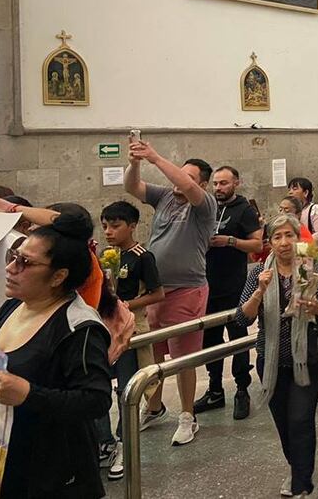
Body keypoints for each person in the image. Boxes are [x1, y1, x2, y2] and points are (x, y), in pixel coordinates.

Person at [0, 210, 112, 498]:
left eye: (25, 263)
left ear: (58, 276)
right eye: (14, 257)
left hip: (53, 476)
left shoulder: (79, 327)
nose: (10, 268)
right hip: (4, 464)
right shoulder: (13, 306)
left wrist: (28, 394)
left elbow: (96, 400)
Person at [235, 214, 318, 497]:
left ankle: (302, 484)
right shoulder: (260, 272)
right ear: (269, 243)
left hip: (307, 357)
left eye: (289, 236)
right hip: (271, 360)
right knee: (283, 422)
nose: (283, 243)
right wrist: (260, 292)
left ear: (298, 238)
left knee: (300, 419)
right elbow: (241, 319)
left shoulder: (311, 266)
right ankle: (296, 468)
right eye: (277, 237)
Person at [123, 141, 217, 446]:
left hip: (187, 289)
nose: (176, 179)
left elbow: (186, 185)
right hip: (155, 291)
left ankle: (188, 416)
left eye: (186, 175)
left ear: (202, 183)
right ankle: (154, 406)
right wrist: (136, 161)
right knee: (154, 352)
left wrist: (154, 156)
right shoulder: (164, 197)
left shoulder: (204, 205)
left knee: (182, 358)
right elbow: (132, 186)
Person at [94, 201, 164, 480]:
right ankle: (104, 441)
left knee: (127, 388)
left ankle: (124, 441)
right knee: (98, 384)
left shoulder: (143, 256)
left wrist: (126, 303)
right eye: (105, 226)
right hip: (103, 327)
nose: (109, 232)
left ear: (132, 226)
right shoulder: (105, 254)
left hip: (130, 328)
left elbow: (158, 294)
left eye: (115, 226)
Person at [194, 166, 263, 420]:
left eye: (224, 183)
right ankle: (214, 389)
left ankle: (242, 389)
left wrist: (230, 241)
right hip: (207, 285)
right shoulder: (208, 207)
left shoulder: (244, 210)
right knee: (210, 339)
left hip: (234, 286)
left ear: (236, 183)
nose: (218, 188)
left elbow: (257, 244)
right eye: (215, 183)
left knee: (237, 338)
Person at [289, 177, 318, 249]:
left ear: (305, 193)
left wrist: (300, 242)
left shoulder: (315, 210)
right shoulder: (292, 209)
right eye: (290, 189)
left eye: (294, 189)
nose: (290, 192)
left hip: (312, 252)